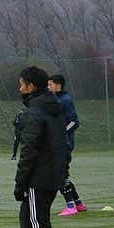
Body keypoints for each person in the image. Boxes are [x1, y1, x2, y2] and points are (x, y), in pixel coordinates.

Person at [1, 66, 67, 228]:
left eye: (21, 85)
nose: (19, 88)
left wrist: (20, 184)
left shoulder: (34, 113)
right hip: (53, 175)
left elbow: (29, 151)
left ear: (31, 87)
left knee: (38, 222)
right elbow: (64, 145)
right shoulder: (54, 109)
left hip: (39, 177)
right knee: (27, 219)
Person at [48, 74, 87, 216]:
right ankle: (78, 204)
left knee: (58, 174)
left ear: (58, 85)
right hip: (57, 144)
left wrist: (61, 133)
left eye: (50, 84)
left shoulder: (65, 100)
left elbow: (74, 121)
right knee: (62, 174)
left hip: (64, 144)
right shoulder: (56, 100)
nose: (49, 87)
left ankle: (71, 207)